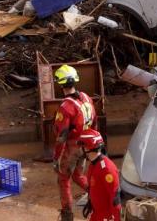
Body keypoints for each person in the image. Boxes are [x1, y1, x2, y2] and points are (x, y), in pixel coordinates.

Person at [52, 64, 98, 221]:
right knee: (78, 175)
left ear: (60, 84)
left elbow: (61, 136)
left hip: (72, 147)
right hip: (86, 144)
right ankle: (98, 196)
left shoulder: (65, 107)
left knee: (63, 179)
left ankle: (67, 215)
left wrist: (56, 158)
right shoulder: (86, 97)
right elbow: (94, 122)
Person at [77, 129, 121, 221]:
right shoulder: (93, 165)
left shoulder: (106, 169)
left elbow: (115, 200)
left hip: (105, 218)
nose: (80, 150)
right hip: (96, 215)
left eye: (82, 146)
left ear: (88, 148)